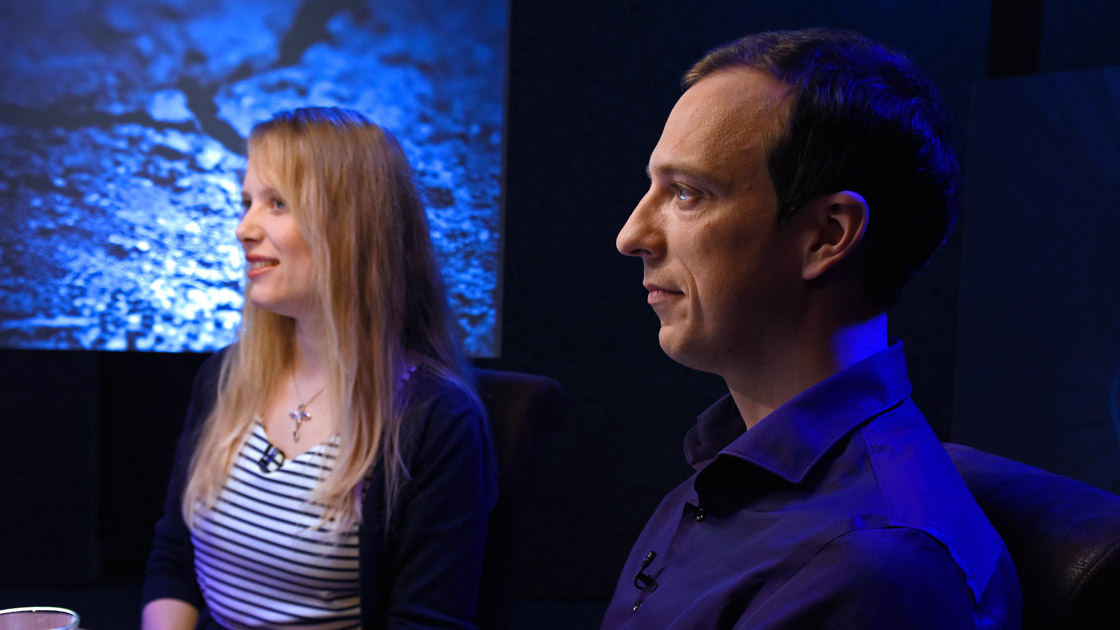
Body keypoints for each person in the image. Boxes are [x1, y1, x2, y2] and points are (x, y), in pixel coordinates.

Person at [602, 29, 1021, 629]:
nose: (631, 236)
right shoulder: (733, 466)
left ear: (828, 235)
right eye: (654, 187)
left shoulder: (873, 569)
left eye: (687, 193)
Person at [141, 107, 497, 630]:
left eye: (278, 203)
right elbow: (174, 561)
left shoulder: (436, 419)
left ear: (351, 225)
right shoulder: (225, 377)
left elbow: (424, 622)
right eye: (246, 203)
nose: (243, 229)